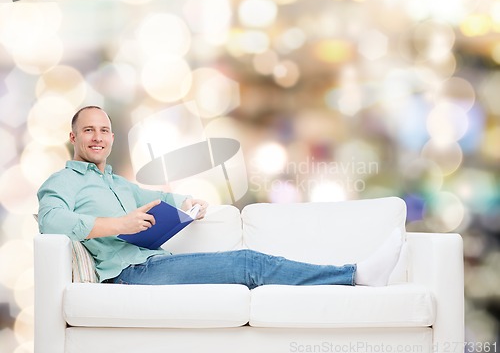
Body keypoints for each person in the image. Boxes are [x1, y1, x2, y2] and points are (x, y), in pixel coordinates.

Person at [37, 106, 403, 287]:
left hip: (150, 263)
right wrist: (120, 223)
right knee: (247, 263)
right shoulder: (63, 181)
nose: (98, 137)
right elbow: (52, 221)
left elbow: (157, 195)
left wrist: (187, 204)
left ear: (112, 138)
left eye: (104, 130)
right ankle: (354, 276)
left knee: (245, 262)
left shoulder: (117, 183)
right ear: (74, 138)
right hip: (128, 274)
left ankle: (352, 275)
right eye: (88, 130)